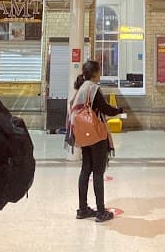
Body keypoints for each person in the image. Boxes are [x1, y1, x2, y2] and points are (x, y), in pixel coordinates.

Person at [70, 60, 123, 223]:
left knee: (85, 169)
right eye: (99, 70)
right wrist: (119, 110)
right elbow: (105, 108)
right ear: (95, 73)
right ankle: (101, 212)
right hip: (96, 134)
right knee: (98, 172)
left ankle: (83, 209)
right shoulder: (93, 88)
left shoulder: (81, 88)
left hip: (84, 134)